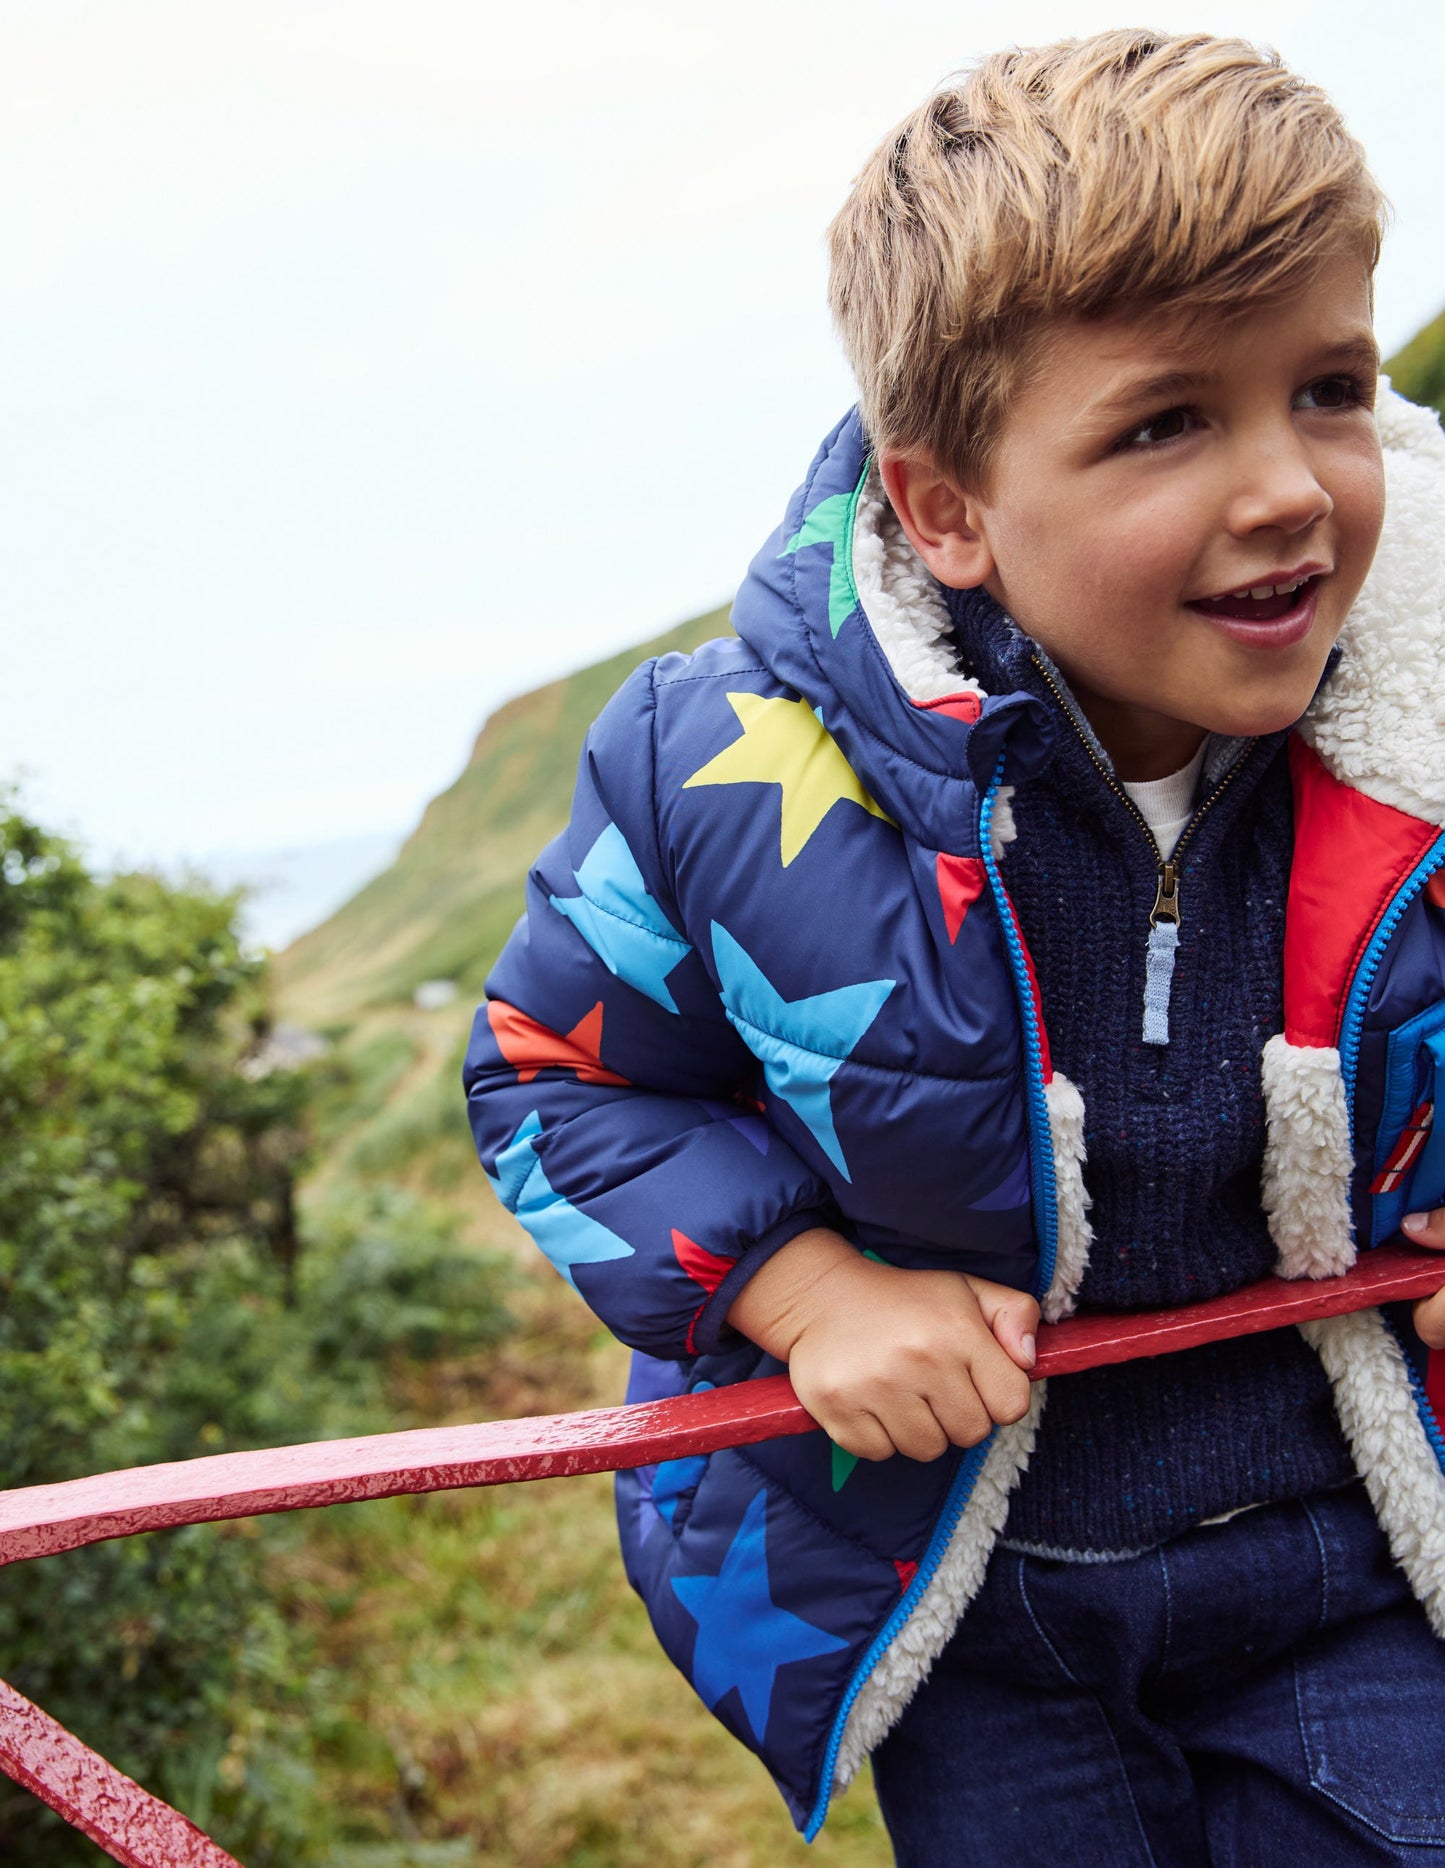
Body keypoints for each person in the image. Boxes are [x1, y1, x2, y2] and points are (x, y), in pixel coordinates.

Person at [463, 30, 1445, 1862]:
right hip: (971, 1603)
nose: (1289, 487)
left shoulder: (1430, 711)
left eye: (1326, 386)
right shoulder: (722, 775)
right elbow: (550, 1076)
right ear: (947, 511)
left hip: (1358, 1555)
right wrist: (803, 1292)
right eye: (1165, 422)